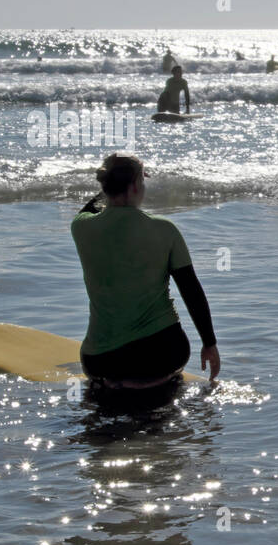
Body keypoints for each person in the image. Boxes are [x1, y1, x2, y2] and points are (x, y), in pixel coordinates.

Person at [71, 154, 220, 388]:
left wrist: (116, 181)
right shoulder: (164, 230)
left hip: (99, 362)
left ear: (106, 185)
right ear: (134, 187)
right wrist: (209, 344)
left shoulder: (81, 227)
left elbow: (89, 208)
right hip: (159, 356)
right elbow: (191, 290)